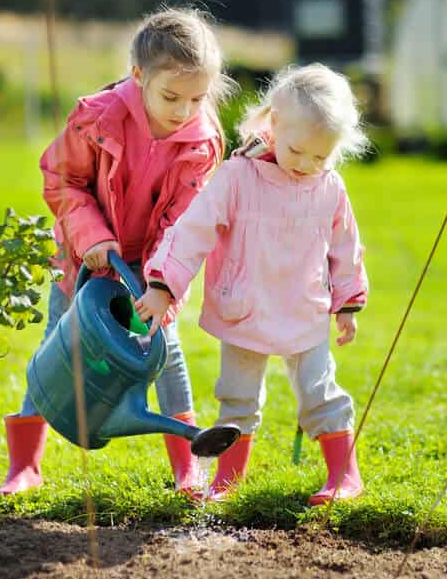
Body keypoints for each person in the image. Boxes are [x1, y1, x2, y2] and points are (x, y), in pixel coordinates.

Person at [0, 7, 234, 496]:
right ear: (138, 75)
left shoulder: (202, 144)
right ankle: (25, 466)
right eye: (171, 96)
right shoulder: (97, 117)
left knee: (166, 356)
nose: (183, 111)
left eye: (197, 98)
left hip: (151, 267)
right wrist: (92, 238)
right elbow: (62, 178)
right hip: (85, 261)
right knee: (56, 345)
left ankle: (189, 467)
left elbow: (185, 225)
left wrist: (162, 285)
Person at [137, 63, 369, 505]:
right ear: (275, 124)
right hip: (245, 305)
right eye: (298, 150)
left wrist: (347, 302)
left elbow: (346, 247)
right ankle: (228, 482)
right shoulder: (237, 178)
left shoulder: (330, 187)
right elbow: (193, 231)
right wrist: (164, 285)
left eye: (320, 157)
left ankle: (344, 477)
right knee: (238, 396)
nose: (305, 165)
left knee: (320, 393)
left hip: (305, 308)